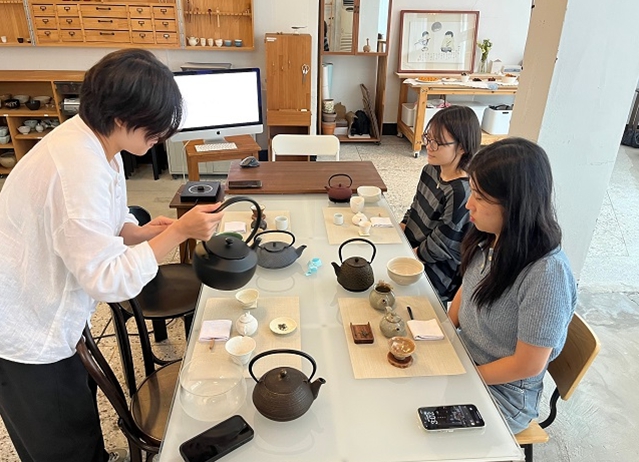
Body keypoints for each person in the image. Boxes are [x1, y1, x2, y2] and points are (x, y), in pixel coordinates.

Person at [0, 49, 224, 462]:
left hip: (52, 310)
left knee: (79, 414)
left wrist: (139, 233)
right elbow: (107, 279)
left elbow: (107, 222)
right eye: (155, 125)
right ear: (121, 117)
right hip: (25, 330)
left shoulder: (96, 142)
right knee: (61, 443)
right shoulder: (77, 169)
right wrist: (177, 233)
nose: (161, 135)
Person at [448, 137, 577, 434]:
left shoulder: (546, 274)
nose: (468, 204)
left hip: (506, 393)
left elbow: (527, 365)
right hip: (466, 358)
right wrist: (443, 330)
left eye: (480, 197)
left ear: (514, 204)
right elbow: (468, 287)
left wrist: (464, 376)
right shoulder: (489, 237)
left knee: (419, 427)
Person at [400, 105, 481, 302]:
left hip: (436, 273)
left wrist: (405, 258)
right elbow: (415, 207)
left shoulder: (461, 191)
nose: (429, 146)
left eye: (438, 143)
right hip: (411, 249)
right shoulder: (431, 169)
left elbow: (440, 246)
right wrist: (399, 230)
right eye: (428, 138)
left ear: (462, 147)